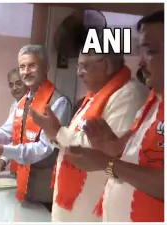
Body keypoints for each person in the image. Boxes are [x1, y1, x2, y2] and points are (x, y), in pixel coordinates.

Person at [30, 40, 149, 221]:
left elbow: (103, 151)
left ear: (106, 65)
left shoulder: (129, 95)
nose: (78, 73)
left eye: (84, 67)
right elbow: (75, 139)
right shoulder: (93, 97)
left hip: (92, 211)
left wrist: (58, 132)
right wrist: (54, 134)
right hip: (73, 206)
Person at [65, 10, 164, 222]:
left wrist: (108, 162)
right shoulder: (154, 101)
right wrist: (113, 148)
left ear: (106, 65)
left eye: (152, 51)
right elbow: (135, 159)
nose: (141, 63)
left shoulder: (131, 94)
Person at [0, 45, 73, 204]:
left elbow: (44, 148)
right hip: (21, 184)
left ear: (46, 67)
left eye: (32, 66)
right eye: (22, 67)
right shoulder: (23, 102)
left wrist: (4, 150)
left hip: (44, 190)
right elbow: (6, 134)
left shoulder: (58, 102)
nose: (26, 72)